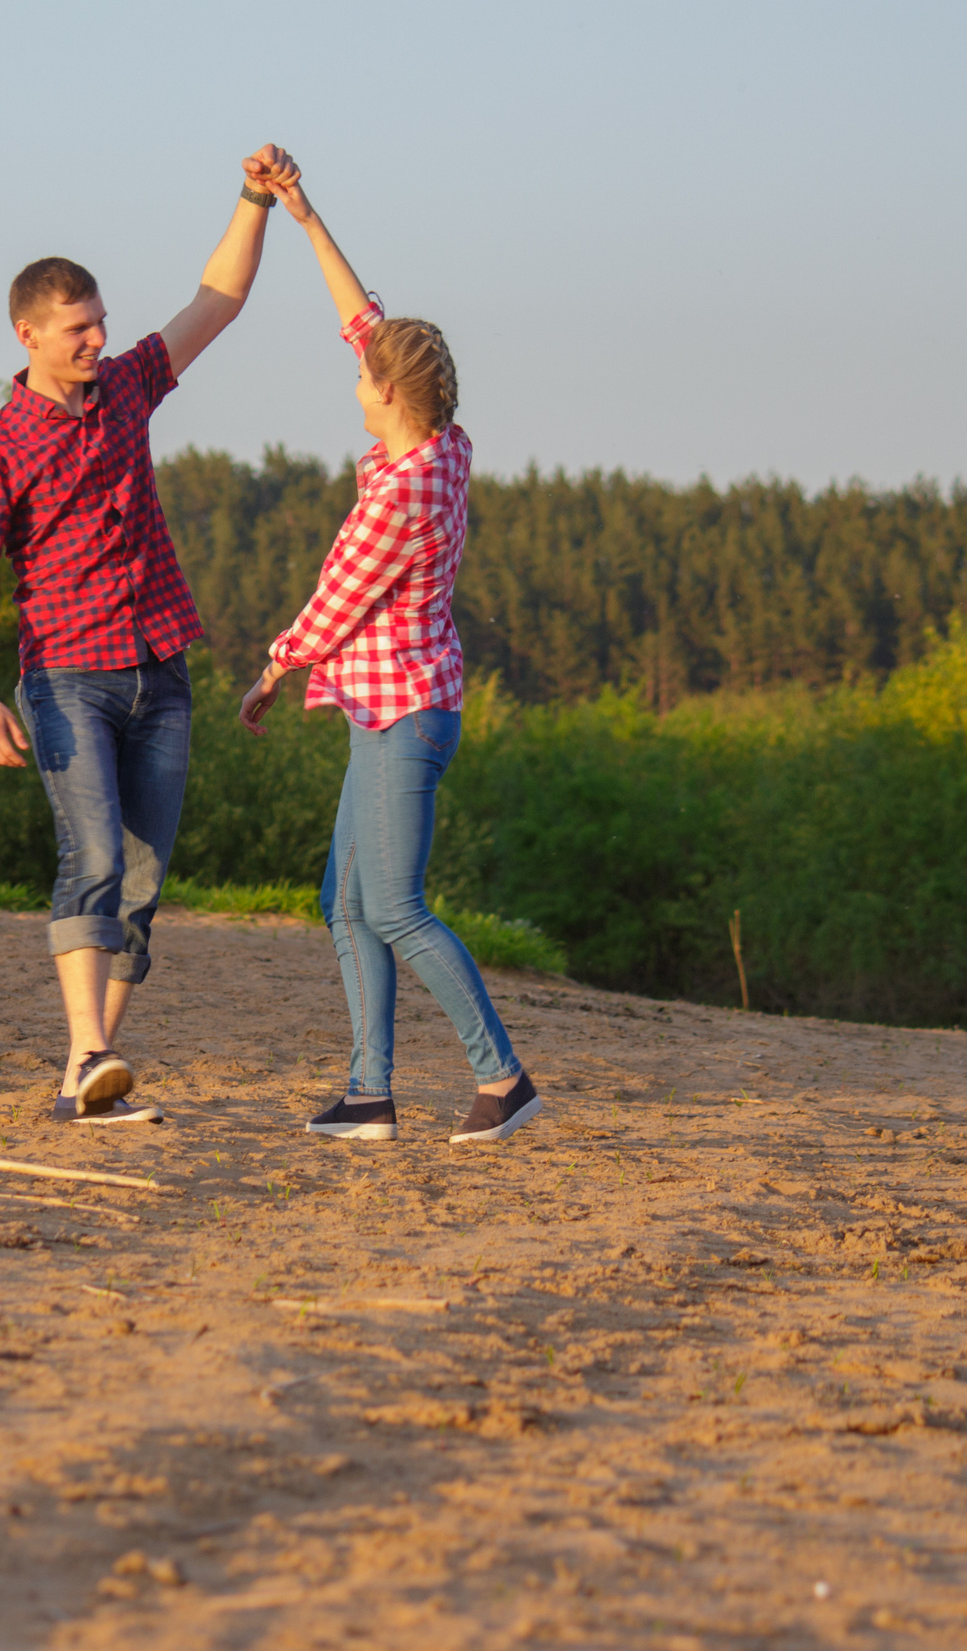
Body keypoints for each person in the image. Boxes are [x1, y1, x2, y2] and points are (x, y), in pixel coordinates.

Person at [0, 146, 296, 1125]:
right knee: (93, 856)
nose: (99, 337)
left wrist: (252, 200)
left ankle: (88, 1081)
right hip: (65, 683)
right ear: (28, 335)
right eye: (77, 328)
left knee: (140, 887)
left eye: (100, 320)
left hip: (162, 672)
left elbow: (216, 300)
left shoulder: (130, 389)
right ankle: (89, 1050)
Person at [237, 160, 541, 1146]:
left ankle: (503, 1080)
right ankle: (369, 1092)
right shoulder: (440, 445)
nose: (352, 376)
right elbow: (363, 318)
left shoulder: (400, 495)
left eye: (361, 373)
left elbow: (331, 609)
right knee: (345, 901)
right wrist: (305, 215)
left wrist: (273, 667)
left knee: (397, 909)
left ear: (386, 395)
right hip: (392, 708)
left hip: (403, 718)